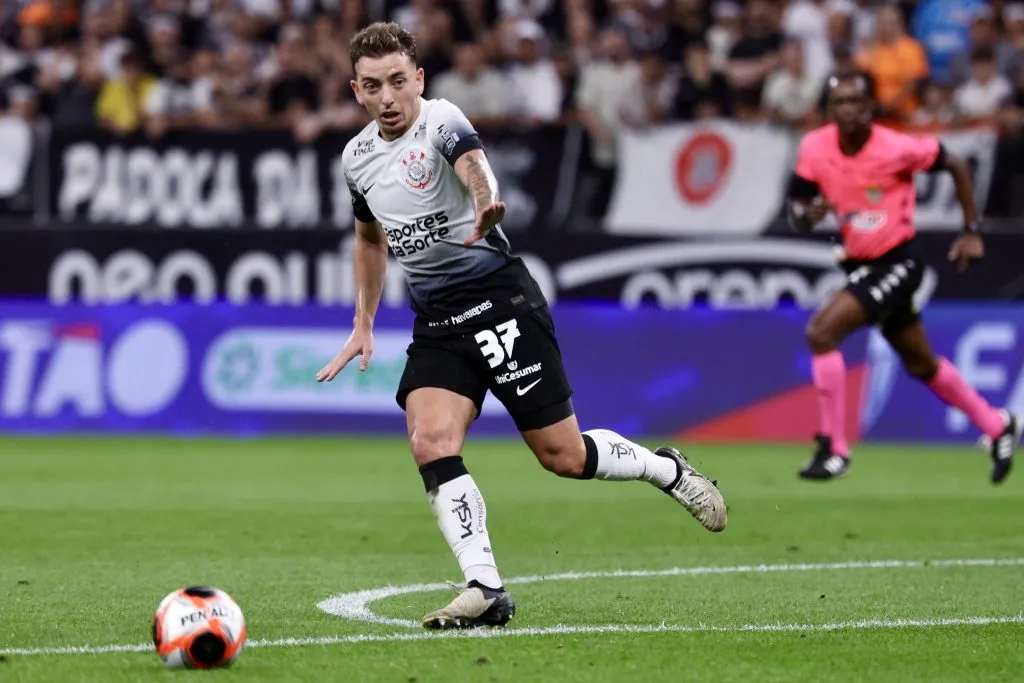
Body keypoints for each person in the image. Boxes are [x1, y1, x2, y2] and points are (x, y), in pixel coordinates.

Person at [315, 22, 727, 631]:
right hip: (439, 322)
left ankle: (666, 468)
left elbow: (475, 166)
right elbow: (369, 237)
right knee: (429, 440)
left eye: (398, 82)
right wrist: (363, 321)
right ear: (356, 90)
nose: (387, 98)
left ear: (418, 80)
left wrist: (484, 202)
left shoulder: (442, 121)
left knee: (562, 455)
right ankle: (486, 588)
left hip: (501, 302)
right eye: (373, 86)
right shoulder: (357, 159)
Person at [787, 72, 1023, 484]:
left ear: (868, 109)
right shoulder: (813, 147)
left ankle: (834, 448)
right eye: (837, 102)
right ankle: (998, 426)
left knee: (821, 333)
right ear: (829, 110)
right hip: (858, 264)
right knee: (921, 363)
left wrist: (971, 232)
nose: (846, 110)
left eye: (854, 102)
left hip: (897, 263)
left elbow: (956, 163)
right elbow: (799, 213)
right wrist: (809, 215)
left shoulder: (896, 147)